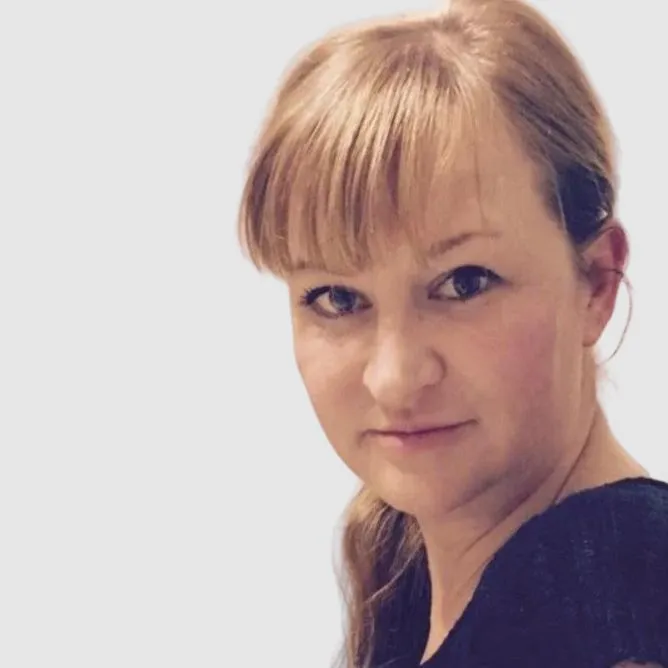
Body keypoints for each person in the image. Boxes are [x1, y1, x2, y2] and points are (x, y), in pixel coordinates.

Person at [236, 0, 668, 666]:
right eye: (337, 298)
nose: (395, 377)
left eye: (464, 283)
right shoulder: (419, 592)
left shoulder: (620, 607)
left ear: (596, 282)